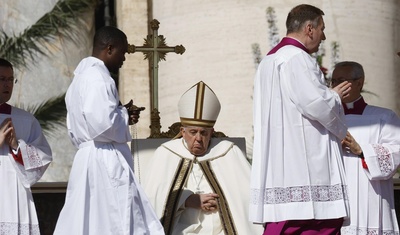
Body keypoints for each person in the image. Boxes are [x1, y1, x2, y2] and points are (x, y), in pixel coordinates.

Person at [250, 4, 353, 234]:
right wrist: (335, 96)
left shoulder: (268, 61)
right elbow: (316, 105)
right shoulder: (298, 58)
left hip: (280, 164)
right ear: (309, 28)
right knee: (310, 224)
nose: (323, 36)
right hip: (303, 167)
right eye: (321, 29)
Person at [54, 26, 164, 235]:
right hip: (103, 160)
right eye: (122, 53)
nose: (124, 59)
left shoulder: (80, 79)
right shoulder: (98, 77)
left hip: (88, 158)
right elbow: (102, 125)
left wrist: (122, 112)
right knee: (112, 221)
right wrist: (123, 115)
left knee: (88, 221)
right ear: (110, 49)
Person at [141, 81, 263, 235]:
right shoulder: (165, 154)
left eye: (204, 133)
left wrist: (223, 201)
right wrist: (186, 200)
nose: (198, 138)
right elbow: (151, 199)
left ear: (211, 132)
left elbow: (247, 198)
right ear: (182, 131)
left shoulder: (228, 152)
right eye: (193, 132)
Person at [331, 61, 400, 235]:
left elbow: (396, 151)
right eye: (333, 81)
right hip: (335, 198)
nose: (336, 86)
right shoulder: (326, 118)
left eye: (342, 80)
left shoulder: (383, 117)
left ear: (359, 83)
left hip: (370, 195)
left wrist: (362, 150)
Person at [0, 58, 52, 234]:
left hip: (14, 195)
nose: (7, 85)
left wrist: (16, 147)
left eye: (10, 79)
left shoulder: (25, 119)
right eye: (2, 79)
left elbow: (43, 156)